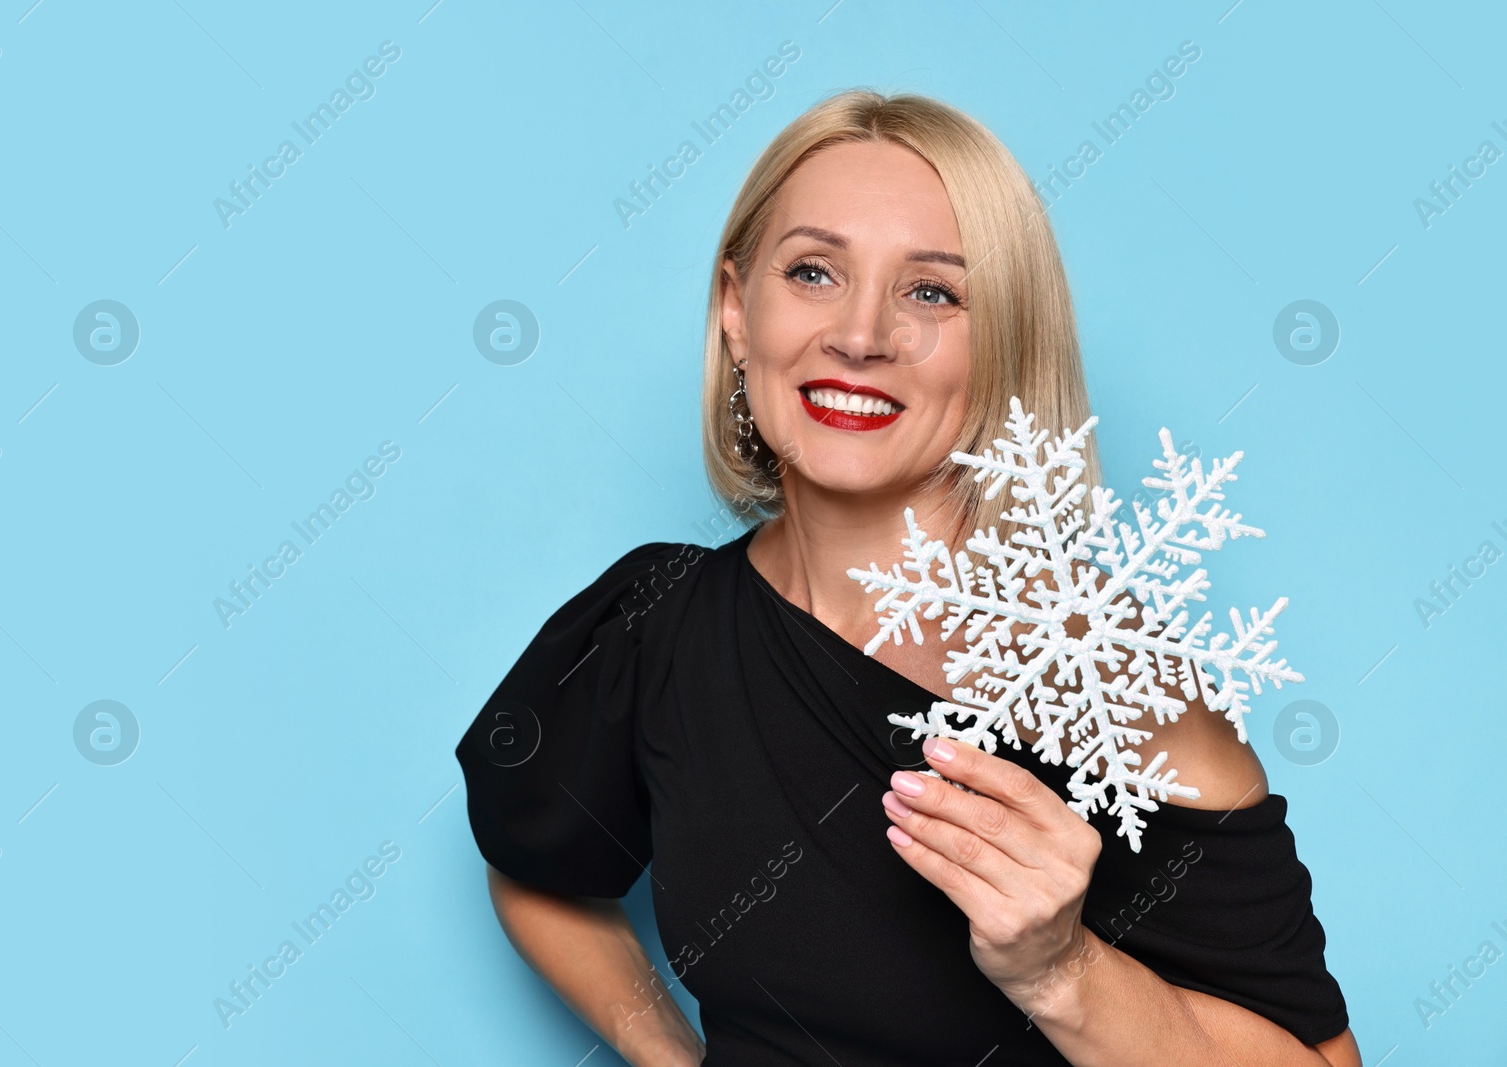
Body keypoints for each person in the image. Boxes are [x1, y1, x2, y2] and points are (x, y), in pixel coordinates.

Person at [455, 89, 1360, 1066]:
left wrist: (1060, 968)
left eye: (932, 291)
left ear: (1003, 342)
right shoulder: (655, 625)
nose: (859, 333)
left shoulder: (1095, 673)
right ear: (734, 310)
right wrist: (670, 1053)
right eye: (811, 272)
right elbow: (535, 866)